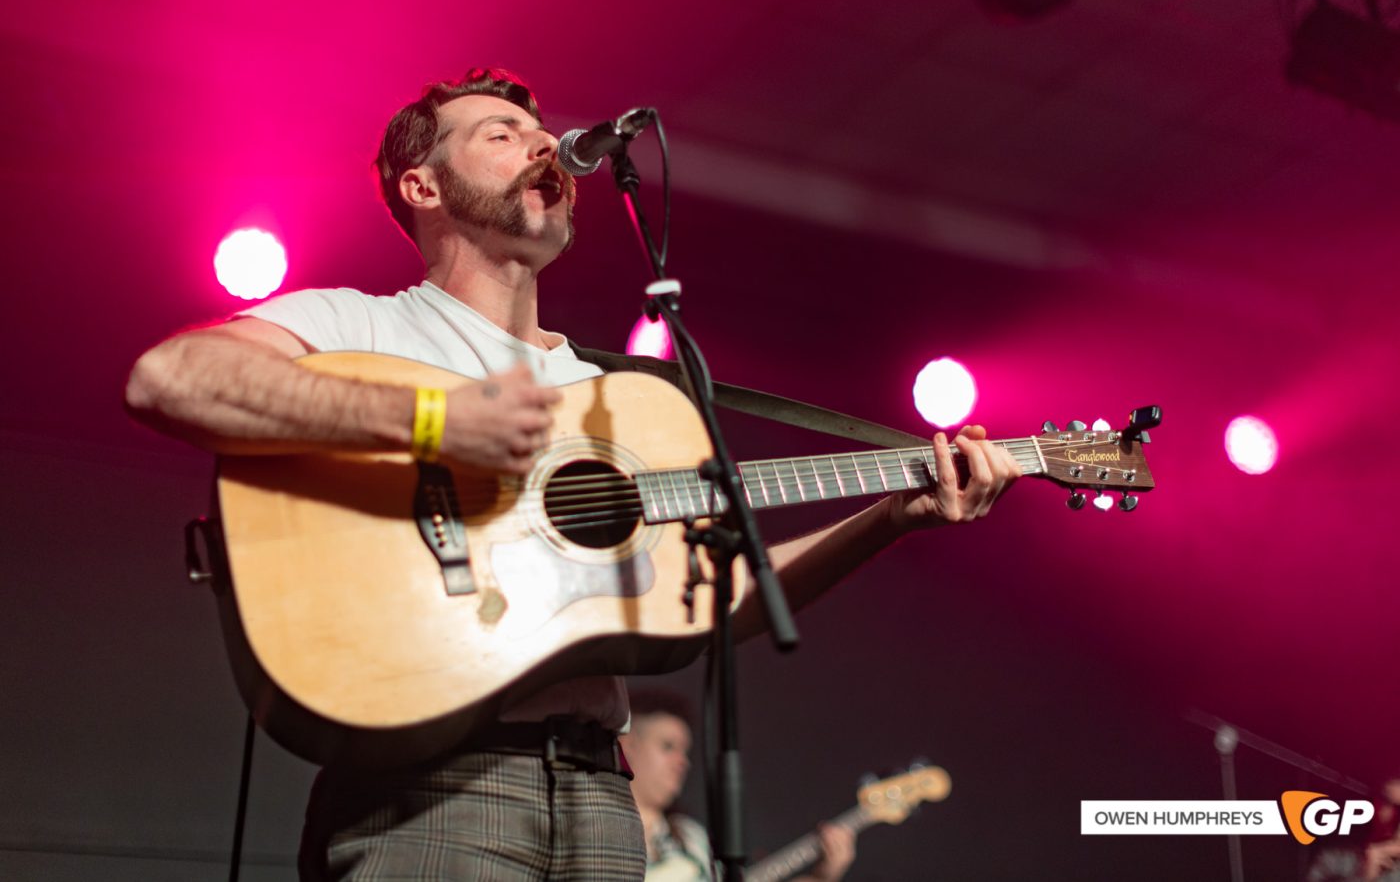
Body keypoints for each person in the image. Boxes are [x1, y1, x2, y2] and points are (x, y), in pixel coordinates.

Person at [123, 67, 1021, 880]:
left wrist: (892, 516)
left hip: (602, 800)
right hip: (431, 793)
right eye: (501, 135)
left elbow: (714, 601)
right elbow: (168, 379)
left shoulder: (612, 401)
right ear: (423, 185)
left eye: (542, 133)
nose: (543, 144)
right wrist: (433, 420)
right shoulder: (360, 326)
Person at [621, 689, 855, 882]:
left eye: (685, 751)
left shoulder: (690, 837)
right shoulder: (592, 826)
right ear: (627, 745)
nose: (683, 762)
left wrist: (823, 877)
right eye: (668, 746)